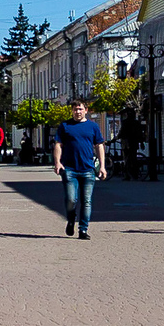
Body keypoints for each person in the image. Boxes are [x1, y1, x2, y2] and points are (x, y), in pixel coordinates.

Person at [51, 97, 106, 239]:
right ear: (72, 111)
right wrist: (57, 162)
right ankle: (70, 219)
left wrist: (102, 166)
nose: (78, 112)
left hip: (88, 169)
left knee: (86, 201)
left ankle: (83, 229)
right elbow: (58, 145)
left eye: (80, 109)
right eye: (75, 109)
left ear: (86, 111)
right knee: (71, 199)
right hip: (69, 169)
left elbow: (99, 145)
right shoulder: (65, 126)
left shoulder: (93, 127)